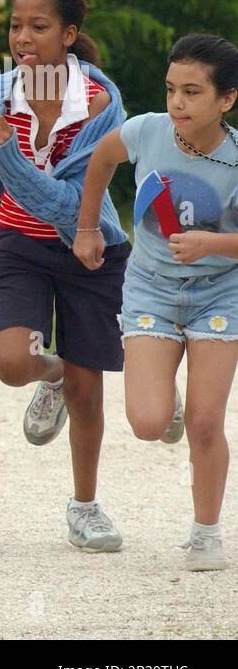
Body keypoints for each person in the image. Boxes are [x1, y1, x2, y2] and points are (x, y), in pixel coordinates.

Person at [0, 0, 155, 553]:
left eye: (39, 27)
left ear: (69, 35)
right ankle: (51, 375)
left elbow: (67, 200)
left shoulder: (101, 100)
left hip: (89, 247)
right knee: (15, 363)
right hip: (19, 246)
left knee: (90, 392)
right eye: (15, 25)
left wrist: (7, 158)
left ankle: (84, 507)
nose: (23, 38)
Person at [75, 33, 238, 572]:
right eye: (171, 89)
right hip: (150, 286)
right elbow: (100, 161)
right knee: (148, 422)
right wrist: (87, 228)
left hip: (221, 292)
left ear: (227, 99)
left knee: (206, 423)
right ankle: (163, 398)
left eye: (192, 92)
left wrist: (212, 244)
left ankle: (205, 533)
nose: (176, 103)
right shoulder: (145, 131)